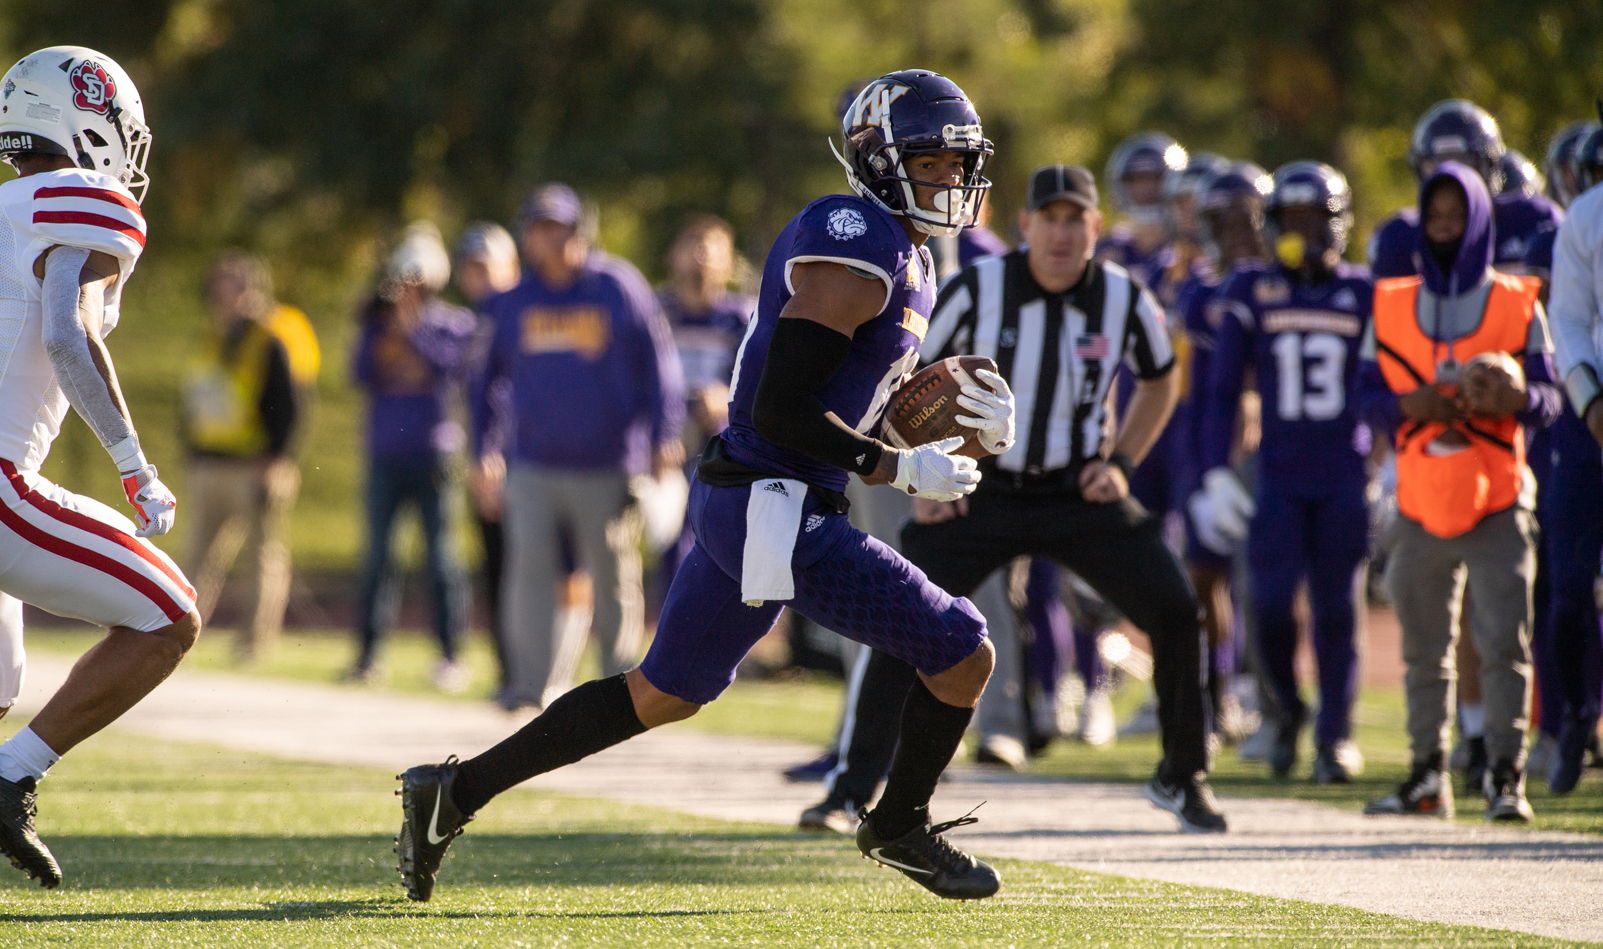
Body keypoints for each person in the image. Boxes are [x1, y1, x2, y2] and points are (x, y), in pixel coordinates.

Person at [396, 69, 1008, 904]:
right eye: (933, 162)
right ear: (878, 159)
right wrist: (896, 465)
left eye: (957, 164)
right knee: (963, 649)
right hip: (775, 502)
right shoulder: (856, 237)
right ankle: (899, 822)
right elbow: (782, 407)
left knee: (660, 693)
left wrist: (904, 433)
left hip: (753, 499)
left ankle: (452, 793)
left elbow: (821, 398)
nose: (951, 180)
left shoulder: (899, 248)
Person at [799, 164, 1226, 836]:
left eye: (1073, 220)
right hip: (980, 491)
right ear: (1023, 226)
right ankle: (852, 785)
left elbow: (1159, 380)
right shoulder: (977, 287)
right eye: (1047, 219)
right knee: (897, 617)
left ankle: (1181, 773)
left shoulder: (1123, 296)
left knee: (1174, 607)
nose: (1059, 234)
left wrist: (1120, 463)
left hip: (1077, 489)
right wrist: (923, 477)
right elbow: (904, 383)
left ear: (1094, 227)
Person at [0, 46, 201, 888]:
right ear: (89, 126)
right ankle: (12, 778)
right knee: (170, 612)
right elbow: (65, 330)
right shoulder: (78, 195)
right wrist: (133, 463)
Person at [1359, 162, 1561, 822]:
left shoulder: (1514, 297)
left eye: (1455, 216)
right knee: (1424, 648)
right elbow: (1362, 396)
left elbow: (1551, 396)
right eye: (1435, 217)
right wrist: (1404, 405)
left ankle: (1504, 775)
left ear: (1476, 220)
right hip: (1419, 493)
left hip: (1498, 490)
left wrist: (1515, 397)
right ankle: (1426, 775)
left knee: (1504, 641)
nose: (1445, 228)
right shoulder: (1390, 300)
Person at [467, 183, 683, 711]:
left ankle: (621, 691)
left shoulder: (617, 286)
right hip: (533, 463)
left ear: (581, 230)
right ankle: (528, 685)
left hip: (607, 463)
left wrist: (664, 435)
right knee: (529, 576)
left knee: (612, 578)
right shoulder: (514, 301)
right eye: (540, 230)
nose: (550, 240)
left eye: (559, 228)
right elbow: (483, 383)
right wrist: (483, 452)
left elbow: (658, 365)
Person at [1195, 161, 1374, 784]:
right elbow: (1222, 391)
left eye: (1314, 220)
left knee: (1336, 611)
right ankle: (1289, 712)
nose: (1304, 232)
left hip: (1343, 475)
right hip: (1277, 474)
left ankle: (1334, 736)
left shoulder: (1365, 292)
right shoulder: (1250, 289)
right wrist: (1217, 472)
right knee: (1268, 607)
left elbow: (1383, 389)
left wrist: (1391, 460)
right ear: (1272, 226)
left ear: (1339, 224)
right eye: (1291, 221)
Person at [349, 223, 476, 690]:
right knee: (378, 558)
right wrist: (375, 321)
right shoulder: (378, 325)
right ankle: (367, 656)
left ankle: (450, 654)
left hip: (435, 455)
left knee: (443, 559)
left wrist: (414, 328)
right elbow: (359, 373)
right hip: (385, 452)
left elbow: (454, 370)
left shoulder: (453, 323)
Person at [180, 251, 300, 662]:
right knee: (197, 559)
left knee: (260, 559)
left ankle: (254, 642)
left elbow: (289, 406)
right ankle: (180, 636)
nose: (220, 293)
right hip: (210, 462)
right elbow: (196, 398)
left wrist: (276, 458)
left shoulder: (270, 341)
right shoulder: (210, 337)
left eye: (229, 284)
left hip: (254, 465)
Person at [1546, 120, 1603, 791]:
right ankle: (1574, 719)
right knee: (1566, 590)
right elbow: (1563, 317)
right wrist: (1589, 400)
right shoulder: (1586, 215)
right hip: (1586, 418)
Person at [452, 223, 522, 697]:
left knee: (547, 572)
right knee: (497, 568)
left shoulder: (530, 315)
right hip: (492, 464)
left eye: (487, 266)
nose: (480, 277)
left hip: (534, 460)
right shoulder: (474, 326)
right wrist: (481, 457)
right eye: (472, 268)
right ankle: (510, 673)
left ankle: (543, 671)